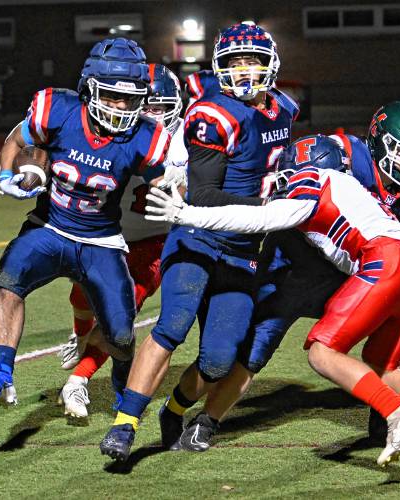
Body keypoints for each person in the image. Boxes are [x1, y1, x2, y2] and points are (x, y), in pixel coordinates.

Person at [145, 113, 400, 469]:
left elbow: (261, 217)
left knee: (321, 353)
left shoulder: (311, 181)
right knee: (379, 362)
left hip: (373, 267)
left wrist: (187, 214)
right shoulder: (349, 175)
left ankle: (396, 412)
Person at [99, 22, 299, 462]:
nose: (244, 70)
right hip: (198, 236)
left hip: (244, 250)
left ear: (271, 65)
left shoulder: (284, 108)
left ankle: (173, 410)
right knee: (172, 325)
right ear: (218, 67)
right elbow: (204, 194)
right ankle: (125, 424)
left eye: (253, 60)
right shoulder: (214, 115)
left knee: (217, 362)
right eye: (234, 62)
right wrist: (270, 208)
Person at [0, 38, 171, 407]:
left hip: (101, 242)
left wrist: (175, 195)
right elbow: (16, 141)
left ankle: (119, 372)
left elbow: (164, 184)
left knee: (121, 334)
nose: (120, 106)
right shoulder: (59, 110)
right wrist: (6, 177)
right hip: (50, 227)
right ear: (89, 88)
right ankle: (1, 370)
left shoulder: (147, 136)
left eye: (129, 99)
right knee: (10, 280)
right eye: (112, 96)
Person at [58, 63, 187, 420]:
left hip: (155, 243)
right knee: (80, 294)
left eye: (162, 107)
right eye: (147, 107)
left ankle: (78, 379)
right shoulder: (114, 133)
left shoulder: (184, 144)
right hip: (106, 233)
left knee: (121, 314)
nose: (154, 115)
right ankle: (80, 335)